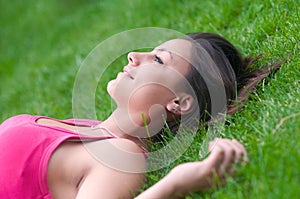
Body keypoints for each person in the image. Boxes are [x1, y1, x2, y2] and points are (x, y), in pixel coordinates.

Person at [0, 33, 282, 199]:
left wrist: (176, 183)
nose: (133, 55)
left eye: (158, 60)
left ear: (178, 103)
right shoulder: (91, 130)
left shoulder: (123, 156)